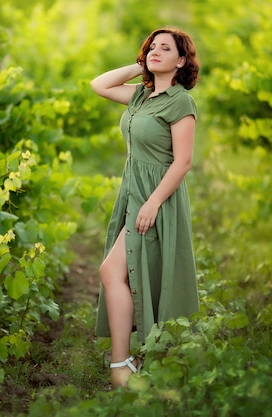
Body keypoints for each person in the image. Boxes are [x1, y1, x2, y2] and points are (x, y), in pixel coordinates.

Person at [90, 27, 201, 389]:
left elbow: (182, 162)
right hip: (133, 191)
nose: (155, 51)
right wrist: (141, 68)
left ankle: (123, 365)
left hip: (158, 197)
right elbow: (99, 84)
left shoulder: (180, 102)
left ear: (181, 60)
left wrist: (153, 203)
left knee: (113, 271)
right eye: (151, 47)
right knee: (124, 272)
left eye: (164, 49)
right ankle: (130, 362)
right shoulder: (141, 96)